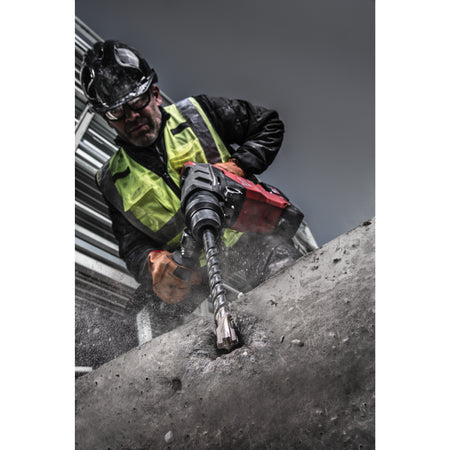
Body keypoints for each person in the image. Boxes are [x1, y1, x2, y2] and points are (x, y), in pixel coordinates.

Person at [80, 40, 301, 337]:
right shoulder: (112, 180)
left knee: (292, 290)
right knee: (140, 323)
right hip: (193, 269)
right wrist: (152, 264)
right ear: (106, 118)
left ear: (155, 94)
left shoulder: (199, 115)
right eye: (117, 112)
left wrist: (236, 167)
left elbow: (268, 125)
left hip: (251, 240)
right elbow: (132, 245)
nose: (131, 116)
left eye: (137, 102)